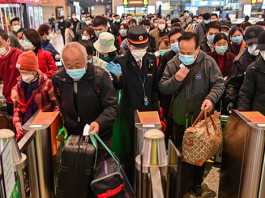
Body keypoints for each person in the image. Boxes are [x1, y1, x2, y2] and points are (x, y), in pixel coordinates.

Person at [159, 32, 224, 197]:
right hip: (178, 118)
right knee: (178, 154)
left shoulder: (208, 62)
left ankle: (196, 185)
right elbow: (163, 87)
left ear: (198, 49)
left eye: (190, 53)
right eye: (183, 52)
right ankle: (179, 185)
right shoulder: (173, 63)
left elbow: (218, 84)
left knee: (198, 155)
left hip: (199, 121)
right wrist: (176, 79)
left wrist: (211, 99)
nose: (185, 56)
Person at [107, 26, 159, 181]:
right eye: (136, 46)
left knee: (147, 149)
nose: (140, 49)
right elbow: (117, 88)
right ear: (129, 45)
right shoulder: (120, 61)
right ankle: (130, 180)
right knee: (129, 150)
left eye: (143, 46)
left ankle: (146, 179)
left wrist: (156, 109)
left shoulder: (151, 60)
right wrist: (117, 78)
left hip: (148, 112)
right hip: (128, 112)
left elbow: (154, 86)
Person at [52, 42, 117, 142]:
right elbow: (59, 102)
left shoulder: (100, 77)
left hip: (99, 134)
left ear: (86, 59)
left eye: (78, 65)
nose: (74, 69)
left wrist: (99, 122)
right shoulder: (59, 78)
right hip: (72, 134)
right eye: (69, 66)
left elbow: (112, 106)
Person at [12, 50, 59, 140]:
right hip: (27, 127)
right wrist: (17, 123)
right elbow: (17, 109)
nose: (23, 76)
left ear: (34, 71)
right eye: (21, 72)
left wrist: (53, 125)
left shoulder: (47, 83)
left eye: (25, 72)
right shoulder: (18, 87)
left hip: (44, 129)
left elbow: (56, 106)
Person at [222, 25, 264, 115]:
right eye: (251, 44)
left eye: (257, 43)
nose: (254, 47)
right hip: (249, 109)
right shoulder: (239, 62)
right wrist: (231, 101)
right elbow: (233, 85)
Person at [238, 31, 265, 115]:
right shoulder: (253, 68)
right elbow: (245, 95)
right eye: (262, 50)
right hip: (259, 116)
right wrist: (244, 117)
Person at [0, 29, 22, 115]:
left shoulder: (18, 54)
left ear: (8, 41)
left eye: (0, 43)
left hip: (21, 98)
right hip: (8, 98)